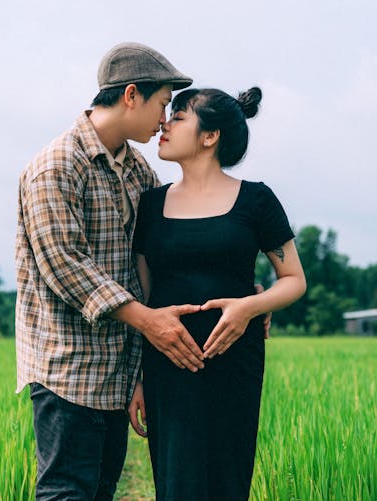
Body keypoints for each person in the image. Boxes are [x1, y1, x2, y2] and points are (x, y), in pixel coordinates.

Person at [15, 42, 207, 501]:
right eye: (163, 105)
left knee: (101, 491)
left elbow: (163, 255)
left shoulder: (138, 172)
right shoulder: (56, 165)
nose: (165, 120)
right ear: (132, 95)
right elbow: (65, 264)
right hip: (68, 371)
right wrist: (148, 320)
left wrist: (243, 291)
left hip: (119, 374)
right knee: (66, 492)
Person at [128, 86, 307, 500]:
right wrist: (137, 375)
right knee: (176, 481)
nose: (164, 125)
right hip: (167, 362)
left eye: (178, 118)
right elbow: (146, 296)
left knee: (228, 477)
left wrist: (248, 307)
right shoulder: (150, 206)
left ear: (210, 137)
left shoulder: (256, 200)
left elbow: (294, 279)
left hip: (234, 360)